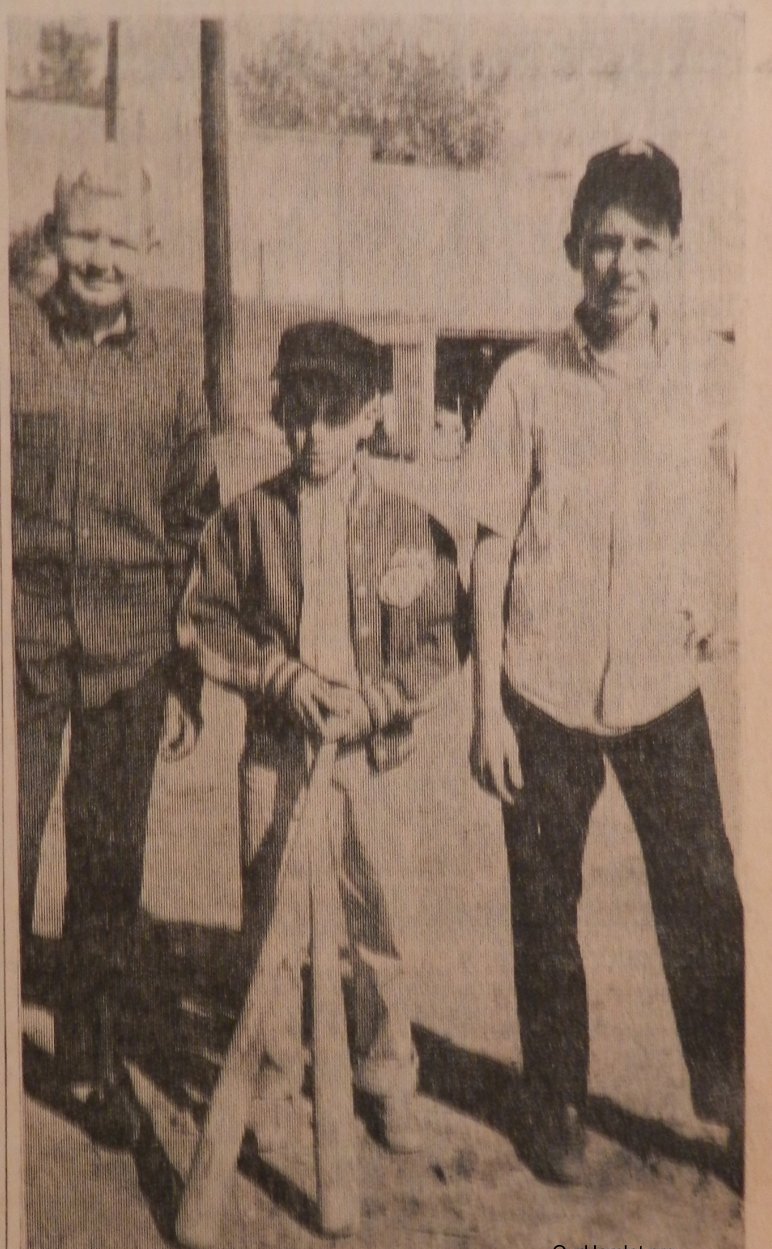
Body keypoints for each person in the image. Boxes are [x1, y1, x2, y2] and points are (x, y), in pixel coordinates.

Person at [467, 141, 743, 1188]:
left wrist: (720, 605)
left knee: (705, 895)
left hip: (659, 690)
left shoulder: (713, 376)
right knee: (544, 905)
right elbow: (489, 543)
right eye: (602, 243)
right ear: (571, 250)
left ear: (672, 252)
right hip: (540, 688)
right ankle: (555, 1105)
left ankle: (730, 1102)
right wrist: (487, 707)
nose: (620, 264)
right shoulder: (525, 381)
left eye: (642, 243)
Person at [183, 319, 463, 1153]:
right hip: (279, 747)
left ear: (373, 415)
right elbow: (208, 617)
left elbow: (443, 635)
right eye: (297, 415)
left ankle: (384, 1069)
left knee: (377, 920)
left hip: (370, 756)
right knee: (271, 919)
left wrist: (379, 701)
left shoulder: (411, 526)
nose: (314, 436)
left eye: (335, 416)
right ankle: (270, 1072)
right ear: (278, 413)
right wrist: (284, 679)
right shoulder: (248, 518)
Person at [11, 153, 211, 1149]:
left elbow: (193, 526)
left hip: (132, 651)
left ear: (148, 251)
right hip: (20, 643)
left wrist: (185, 670)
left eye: (119, 239)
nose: (98, 257)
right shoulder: (12, 342)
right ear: (52, 239)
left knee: (107, 863)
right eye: (82, 234)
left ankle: (89, 1060)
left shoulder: (175, 368)